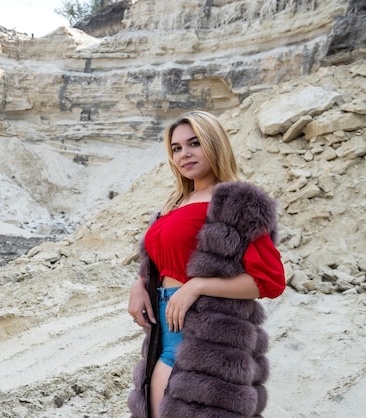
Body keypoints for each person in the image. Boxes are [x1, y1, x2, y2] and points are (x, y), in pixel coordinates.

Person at [127, 110, 286, 418]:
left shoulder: (236, 202)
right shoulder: (174, 204)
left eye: (194, 143)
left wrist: (197, 286)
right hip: (165, 334)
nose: (184, 154)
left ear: (214, 144)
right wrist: (140, 284)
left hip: (206, 340)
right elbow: (162, 260)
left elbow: (269, 280)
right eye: (176, 148)